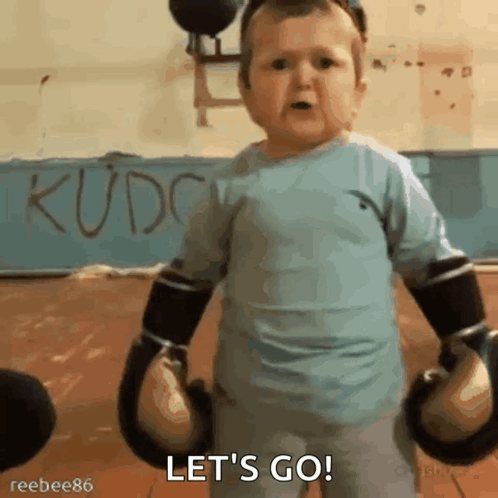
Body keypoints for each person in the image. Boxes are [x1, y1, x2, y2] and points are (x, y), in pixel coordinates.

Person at [118, 1, 498, 496]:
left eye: (325, 62)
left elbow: (433, 266)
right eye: (279, 64)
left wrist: (471, 348)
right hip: (253, 418)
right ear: (245, 90)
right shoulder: (229, 187)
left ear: (358, 88)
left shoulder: (385, 174)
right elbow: (188, 279)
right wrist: (158, 353)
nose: (303, 79)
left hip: (369, 416)